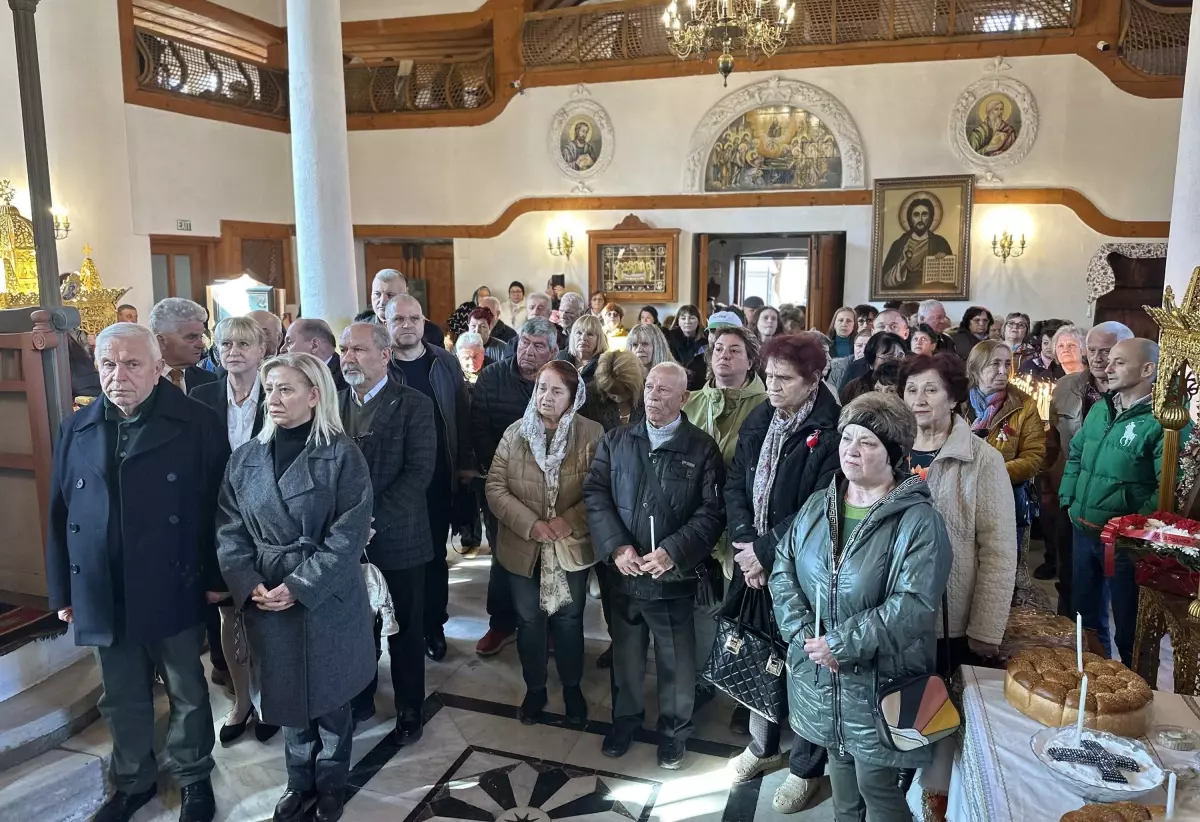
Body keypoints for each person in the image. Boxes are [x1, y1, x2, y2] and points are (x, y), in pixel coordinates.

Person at [48, 322, 227, 822]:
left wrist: (217, 577)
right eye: (108, 363)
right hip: (104, 586)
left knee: (187, 691)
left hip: (173, 579)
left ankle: (194, 778)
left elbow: (221, 507)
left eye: (131, 364)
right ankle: (133, 782)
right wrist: (65, 588)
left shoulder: (196, 421)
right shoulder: (75, 428)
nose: (118, 375)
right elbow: (61, 515)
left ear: (158, 368)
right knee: (121, 695)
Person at [771, 393, 952, 822]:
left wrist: (841, 643)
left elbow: (914, 604)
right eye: (847, 437)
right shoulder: (820, 504)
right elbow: (783, 569)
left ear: (893, 455)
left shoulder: (919, 521)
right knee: (843, 789)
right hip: (820, 679)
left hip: (879, 686)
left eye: (867, 443)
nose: (851, 450)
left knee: (879, 791)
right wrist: (803, 636)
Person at [216, 353, 374, 822]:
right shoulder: (245, 458)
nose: (275, 399)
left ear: (314, 394)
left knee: (330, 696)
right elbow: (229, 530)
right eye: (270, 390)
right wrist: (250, 583)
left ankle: (331, 781)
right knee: (286, 697)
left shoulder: (343, 455)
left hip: (326, 593)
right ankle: (297, 778)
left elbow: (349, 534)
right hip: (267, 594)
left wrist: (300, 585)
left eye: (286, 389)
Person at [583, 363, 726, 769]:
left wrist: (673, 552)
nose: (653, 396)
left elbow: (712, 512)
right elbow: (595, 493)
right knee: (626, 656)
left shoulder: (701, 448)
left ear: (684, 399)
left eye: (665, 391)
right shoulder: (616, 440)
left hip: (671, 576)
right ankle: (624, 721)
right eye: (649, 387)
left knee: (676, 661)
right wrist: (616, 549)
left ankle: (675, 731)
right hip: (625, 573)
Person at [723, 334, 840, 812]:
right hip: (754, 557)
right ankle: (762, 746)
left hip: (803, 569)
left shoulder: (830, 429)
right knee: (758, 653)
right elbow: (735, 480)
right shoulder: (762, 416)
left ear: (813, 379)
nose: (772, 386)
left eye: (784, 379)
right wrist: (745, 543)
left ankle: (806, 768)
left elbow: (820, 505)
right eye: (768, 376)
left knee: (806, 666)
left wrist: (765, 553)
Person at [485, 361, 605, 727]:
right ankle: (535, 688)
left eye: (556, 391)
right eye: (541, 388)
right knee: (529, 620)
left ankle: (571, 687)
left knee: (569, 620)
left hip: (570, 545)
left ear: (573, 397)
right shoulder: (516, 432)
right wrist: (532, 524)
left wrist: (565, 522)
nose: (546, 397)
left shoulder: (591, 433)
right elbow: (495, 487)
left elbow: (601, 489)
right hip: (524, 546)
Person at [338, 322, 436, 744]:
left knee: (405, 627)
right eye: (344, 350)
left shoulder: (414, 405)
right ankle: (360, 695)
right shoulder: (331, 404)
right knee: (355, 624)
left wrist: (371, 521)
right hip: (342, 542)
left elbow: (418, 474)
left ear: (384, 355)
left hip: (398, 536)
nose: (348, 358)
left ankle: (409, 704)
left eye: (358, 350)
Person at [189, 317, 279, 746]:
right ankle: (242, 700)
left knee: (268, 611)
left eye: (244, 343)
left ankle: (272, 700)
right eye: (225, 343)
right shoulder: (203, 395)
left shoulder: (279, 392)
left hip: (272, 521)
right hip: (220, 519)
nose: (233, 351)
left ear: (263, 349)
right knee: (229, 613)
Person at [899, 353, 1016, 671]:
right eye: (911, 389)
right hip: (889, 613)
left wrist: (986, 628)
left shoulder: (982, 460)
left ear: (952, 398)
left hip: (949, 617)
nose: (918, 399)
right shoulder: (891, 451)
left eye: (930, 390)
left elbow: (999, 551)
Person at [1062, 338, 1173, 666]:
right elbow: (1077, 453)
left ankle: (1137, 688)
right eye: (1108, 361)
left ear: (1147, 369)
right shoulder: (1101, 408)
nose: (1106, 368)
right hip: (1084, 530)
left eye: (1119, 362)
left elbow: (1171, 486)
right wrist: (1070, 501)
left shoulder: (1165, 421)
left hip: (1126, 545)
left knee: (1131, 624)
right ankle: (1094, 678)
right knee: (1085, 617)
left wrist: (1133, 526)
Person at [681, 325, 767, 701]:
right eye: (718, 349)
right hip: (695, 521)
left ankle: (742, 688)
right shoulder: (693, 400)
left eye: (734, 351)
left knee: (742, 609)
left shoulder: (765, 406)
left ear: (750, 361)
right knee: (701, 607)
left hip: (742, 522)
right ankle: (702, 680)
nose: (724, 356)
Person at [386, 296, 473, 663]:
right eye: (399, 319)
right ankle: (400, 629)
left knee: (435, 558)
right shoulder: (379, 362)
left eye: (414, 318)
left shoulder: (445, 361)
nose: (407, 325)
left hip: (438, 476)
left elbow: (462, 416)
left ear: (423, 322)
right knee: (398, 563)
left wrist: (465, 466)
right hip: (392, 483)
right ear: (386, 322)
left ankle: (434, 627)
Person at [472, 318, 560, 655]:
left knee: (548, 556)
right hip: (503, 484)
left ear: (553, 350)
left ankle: (547, 625)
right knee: (503, 556)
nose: (529, 351)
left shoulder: (561, 379)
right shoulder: (493, 376)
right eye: (525, 342)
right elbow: (479, 428)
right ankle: (501, 623)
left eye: (539, 346)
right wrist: (505, 476)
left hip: (550, 486)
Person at [1047, 322, 1132, 613]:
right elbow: (1055, 443)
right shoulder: (1065, 387)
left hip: (1117, 504)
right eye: (1092, 350)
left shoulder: (1137, 396)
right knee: (1070, 578)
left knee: (1115, 591)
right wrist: (1054, 491)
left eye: (1105, 352)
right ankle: (1069, 643)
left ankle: (1103, 652)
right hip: (1072, 494)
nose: (1096, 358)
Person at [964, 340, 1048, 605]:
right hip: (962, 496)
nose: (1003, 370)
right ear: (976, 370)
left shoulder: (1024, 405)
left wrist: (992, 474)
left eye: (1007, 364)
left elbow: (1033, 457)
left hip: (1006, 498)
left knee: (998, 569)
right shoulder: (958, 403)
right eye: (994, 364)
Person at [357, 269, 445, 348]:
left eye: (390, 295)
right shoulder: (359, 330)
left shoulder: (430, 333)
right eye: (377, 294)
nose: (382, 301)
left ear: (405, 296)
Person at [881, 196, 956, 289]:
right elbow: (884, 281)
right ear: (910, 218)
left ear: (931, 217)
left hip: (929, 290)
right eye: (916, 215)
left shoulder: (940, 243)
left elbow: (949, 282)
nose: (920, 219)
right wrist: (903, 262)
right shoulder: (898, 245)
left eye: (924, 214)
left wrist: (943, 261)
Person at [149, 297, 218, 394]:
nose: (201, 345)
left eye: (200, 336)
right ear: (161, 341)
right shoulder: (138, 380)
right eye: (192, 337)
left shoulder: (208, 380)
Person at [840, 332, 907, 404]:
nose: (896, 361)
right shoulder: (854, 388)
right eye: (889, 357)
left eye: (901, 355)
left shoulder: (910, 383)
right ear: (871, 362)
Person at [282, 318, 346, 393]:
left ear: (314, 345)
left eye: (289, 342)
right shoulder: (289, 375)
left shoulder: (346, 379)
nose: (282, 349)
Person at [666, 304, 709, 391]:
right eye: (683, 318)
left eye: (692, 318)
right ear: (678, 321)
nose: (687, 321)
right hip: (674, 382)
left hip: (700, 385)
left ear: (698, 320)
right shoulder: (669, 338)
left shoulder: (706, 339)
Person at [559, 313, 608, 382]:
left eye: (590, 334)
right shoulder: (559, 360)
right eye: (579, 333)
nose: (583, 338)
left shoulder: (606, 365)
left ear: (599, 339)